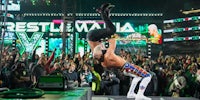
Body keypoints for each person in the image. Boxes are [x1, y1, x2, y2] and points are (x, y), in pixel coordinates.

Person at [87, 3, 152, 100]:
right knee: (146, 76)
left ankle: (103, 12)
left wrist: (112, 36)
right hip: (125, 66)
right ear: (102, 54)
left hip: (92, 37)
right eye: (102, 49)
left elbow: (112, 38)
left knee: (111, 30)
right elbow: (112, 40)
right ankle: (138, 94)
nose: (103, 47)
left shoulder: (104, 61)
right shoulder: (108, 55)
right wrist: (112, 37)